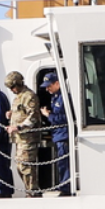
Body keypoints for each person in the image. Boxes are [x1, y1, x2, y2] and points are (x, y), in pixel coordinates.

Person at [6, 70, 47, 196]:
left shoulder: (29, 96)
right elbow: (21, 112)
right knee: (20, 167)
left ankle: (33, 192)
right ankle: (30, 190)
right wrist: (11, 115)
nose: (12, 90)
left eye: (12, 87)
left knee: (26, 167)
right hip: (20, 139)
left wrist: (18, 127)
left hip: (28, 138)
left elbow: (33, 116)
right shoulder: (18, 97)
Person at [38, 66, 73, 197]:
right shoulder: (55, 98)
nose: (47, 89)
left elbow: (66, 118)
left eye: (49, 86)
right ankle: (64, 186)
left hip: (63, 134)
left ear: (57, 83)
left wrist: (48, 115)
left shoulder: (64, 98)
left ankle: (66, 188)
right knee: (61, 163)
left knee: (64, 163)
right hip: (58, 134)